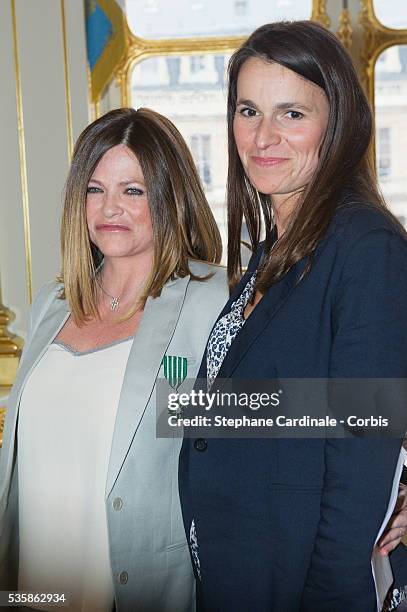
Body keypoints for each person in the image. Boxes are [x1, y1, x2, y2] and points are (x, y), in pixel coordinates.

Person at [178, 21, 407, 611]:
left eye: (292, 114)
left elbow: (361, 450)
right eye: (249, 111)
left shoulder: (365, 246)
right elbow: (271, 409)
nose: (263, 137)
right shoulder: (273, 251)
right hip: (240, 569)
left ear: (339, 126)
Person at [0, 107, 228, 612]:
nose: (110, 208)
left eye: (133, 190)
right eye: (95, 189)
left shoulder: (213, 298)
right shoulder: (51, 305)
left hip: (140, 590)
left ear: (169, 197)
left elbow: (280, 415)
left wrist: (388, 493)